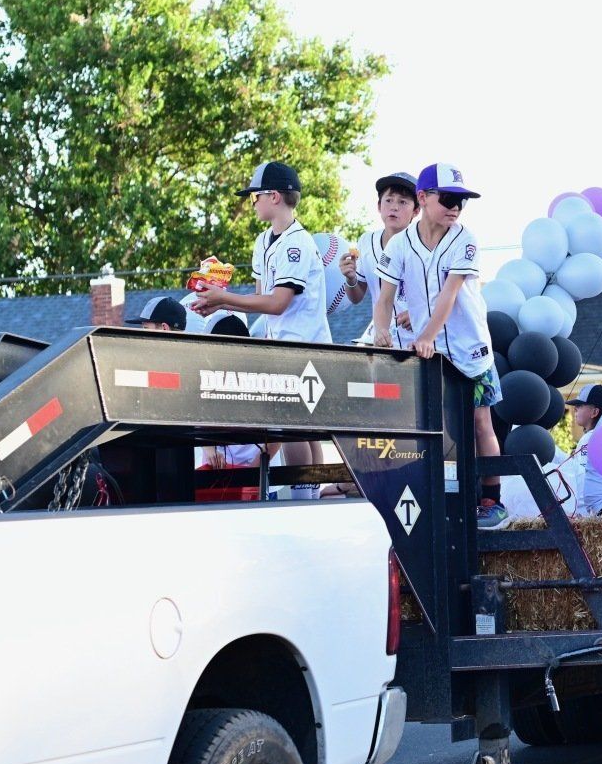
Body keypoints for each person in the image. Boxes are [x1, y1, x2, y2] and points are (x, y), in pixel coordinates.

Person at [369, 164, 509, 529]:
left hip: (468, 348)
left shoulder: (465, 239)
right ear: (424, 198)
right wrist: (380, 329)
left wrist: (426, 335)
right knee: (432, 428)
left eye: (461, 201)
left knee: (481, 422)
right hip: (428, 353)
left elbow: (449, 295)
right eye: (448, 199)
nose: (455, 208)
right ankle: (439, 499)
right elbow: (384, 298)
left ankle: (492, 500)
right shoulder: (400, 244)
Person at [192, 161, 331, 344]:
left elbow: (277, 304)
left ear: (274, 196)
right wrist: (219, 304)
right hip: (282, 346)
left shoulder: (296, 242)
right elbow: (261, 299)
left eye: (254, 197)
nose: (252, 204)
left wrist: (224, 296)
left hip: (309, 348)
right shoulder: (262, 240)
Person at [342, 169, 419, 344]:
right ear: (379, 206)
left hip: (419, 340)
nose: (394, 207)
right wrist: (350, 278)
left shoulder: (425, 244)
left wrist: (421, 315)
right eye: (389, 200)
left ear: (416, 210)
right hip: (381, 338)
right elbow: (356, 297)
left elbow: (445, 296)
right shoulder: (366, 241)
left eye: (403, 202)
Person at [561, 383, 602, 516]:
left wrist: (583, 514)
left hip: (593, 514)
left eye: (580, 405)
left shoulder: (590, 439)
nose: (575, 409)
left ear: (595, 412)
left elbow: (583, 478)